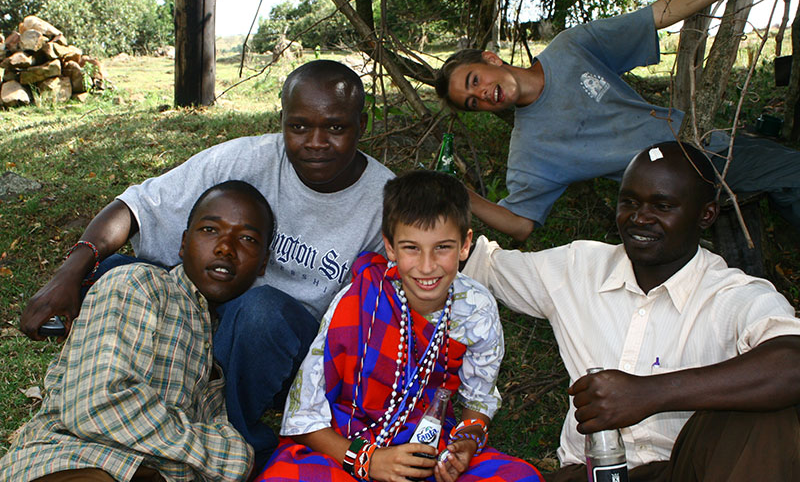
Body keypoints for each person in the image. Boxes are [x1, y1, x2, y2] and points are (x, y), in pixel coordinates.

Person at [18, 59, 396, 469]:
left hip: (280, 340)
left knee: (261, 310)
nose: (316, 142)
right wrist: (68, 274)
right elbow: (136, 207)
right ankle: (117, 397)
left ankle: (230, 434)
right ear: (282, 119)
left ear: (363, 124)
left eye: (336, 127)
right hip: (202, 310)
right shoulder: (246, 159)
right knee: (116, 274)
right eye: (299, 126)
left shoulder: (385, 201)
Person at [462, 141, 800, 481]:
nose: (639, 217)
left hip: (682, 470)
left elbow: (792, 363)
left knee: (771, 412)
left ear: (706, 215)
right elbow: (484, 266)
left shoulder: (730, 295)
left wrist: (651, 393)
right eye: (629, 202)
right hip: (586, 473)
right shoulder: (578, 267)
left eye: (662, 205)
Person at [434, 0, 800, 242]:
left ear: (491, 58)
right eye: (471, 103)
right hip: (668, 193)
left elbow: (656, 16)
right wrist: (461, 195)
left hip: (705, 144)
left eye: (474, 81)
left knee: (785, 172)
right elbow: (520, 223)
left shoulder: (570, 49)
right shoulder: (531, 149)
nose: (480, 95)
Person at [255, 170, 543, 482]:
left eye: (443, 247)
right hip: (347, 447)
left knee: (521, 477)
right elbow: (303, 417)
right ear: (390, 248)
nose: (427, 265)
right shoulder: (359, 299)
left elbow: (478, 401)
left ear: (464, 245)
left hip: (427, 451)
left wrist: (466, 446)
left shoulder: (476, 309)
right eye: (411, 248)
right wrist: (368, 461)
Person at [0, 180, 278, 482]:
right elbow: (97, 406)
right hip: (71, 461)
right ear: (184, 245)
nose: (225, 247)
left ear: (263, 262)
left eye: (247, 239)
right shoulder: (139, 284)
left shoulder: (217, 339)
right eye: (210, 230)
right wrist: (228, 456)